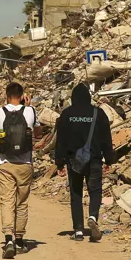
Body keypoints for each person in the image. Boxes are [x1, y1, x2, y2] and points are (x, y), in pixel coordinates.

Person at [54, 83, 115, 242]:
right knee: (95, 191)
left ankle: (79, 230)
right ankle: (93, 217)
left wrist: (59, 163)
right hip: (94, 160)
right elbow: (106, 139)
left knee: (76, 194)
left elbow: (60, 141)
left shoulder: (66, 114)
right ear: (88, 97)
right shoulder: (98, 113)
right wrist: (109, 159)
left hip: (74, 161)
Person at [0, 82, 41, 259]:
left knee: (7, 201)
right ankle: (20, 240)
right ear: (22, 96)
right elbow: (39, 132)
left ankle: (8, 239)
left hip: (4, 163)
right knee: (22, 202)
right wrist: (29, 107)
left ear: (6, 95)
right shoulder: (30, 111)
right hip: (25, 164)